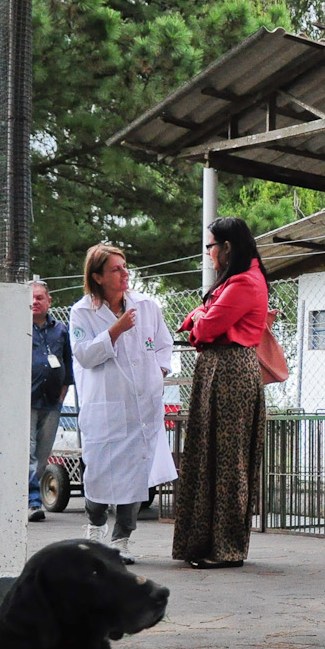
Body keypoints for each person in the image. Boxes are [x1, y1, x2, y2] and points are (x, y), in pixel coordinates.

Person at [68, 244, 176, 564]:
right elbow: (84, 355)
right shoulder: (82, 312)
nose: (124, 274)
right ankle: (96, 526)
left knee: (135, 474)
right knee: (99, 471)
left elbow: (163, 344)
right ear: (98, 276)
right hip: (104, 406)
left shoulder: (146, 306)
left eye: (125, 267)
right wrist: (114, 331)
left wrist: (158, 372)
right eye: (116, 269)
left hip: (142, 406)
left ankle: (122, 539)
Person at [172, 217, 270, 570]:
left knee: (229, 461)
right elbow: (207, 320)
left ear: (227, 247)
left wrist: (200, 317)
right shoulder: (237, 281)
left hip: (231, 371)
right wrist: (203, 316)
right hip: (218, 369)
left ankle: (227, 548)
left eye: (210, 246)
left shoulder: (245, 282)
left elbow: (209, 326)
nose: (208, 253)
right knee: (206, 456)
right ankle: (201, 543)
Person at [28, 280, 74, 523]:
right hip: (27, 400)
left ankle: (27, 496)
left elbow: (67, 364)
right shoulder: (19, 327)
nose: (35, 302)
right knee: (28, 452)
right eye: (31, 298)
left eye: (39, 298)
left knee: (42, 454)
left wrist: (63, 391)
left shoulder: (61, 329)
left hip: (52, 402)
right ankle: (33, 501)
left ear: (49, 301)